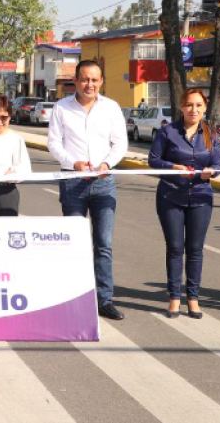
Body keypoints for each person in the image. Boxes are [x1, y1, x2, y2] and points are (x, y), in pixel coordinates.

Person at [47, 60, 129, 321]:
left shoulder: (112, 108)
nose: (89, 85)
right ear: (76, 81)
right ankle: (73, 299)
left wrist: (107, 163)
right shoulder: (61, 108)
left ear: (101, 81)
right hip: (73, 181)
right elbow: (54, 144)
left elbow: (120, 144)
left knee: (104, 244)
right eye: (84, 79)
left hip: (104, 182)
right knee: (74, 243)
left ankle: (104, 300)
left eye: (94, 80)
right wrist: (74, 163)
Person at [148, 89, 220, 319]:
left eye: (199, 105)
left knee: (196, 250)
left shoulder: (212, 134)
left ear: (204, 108)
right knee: (175, 248)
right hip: (171, 195)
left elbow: (217, 164)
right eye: (189, 105)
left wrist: (212, 172)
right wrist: (173, 168)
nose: (194, 109)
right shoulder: (167, 132)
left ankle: (193, 298)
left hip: (201, 197)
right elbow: (153, 159)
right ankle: (174, 298)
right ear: (181, 106)